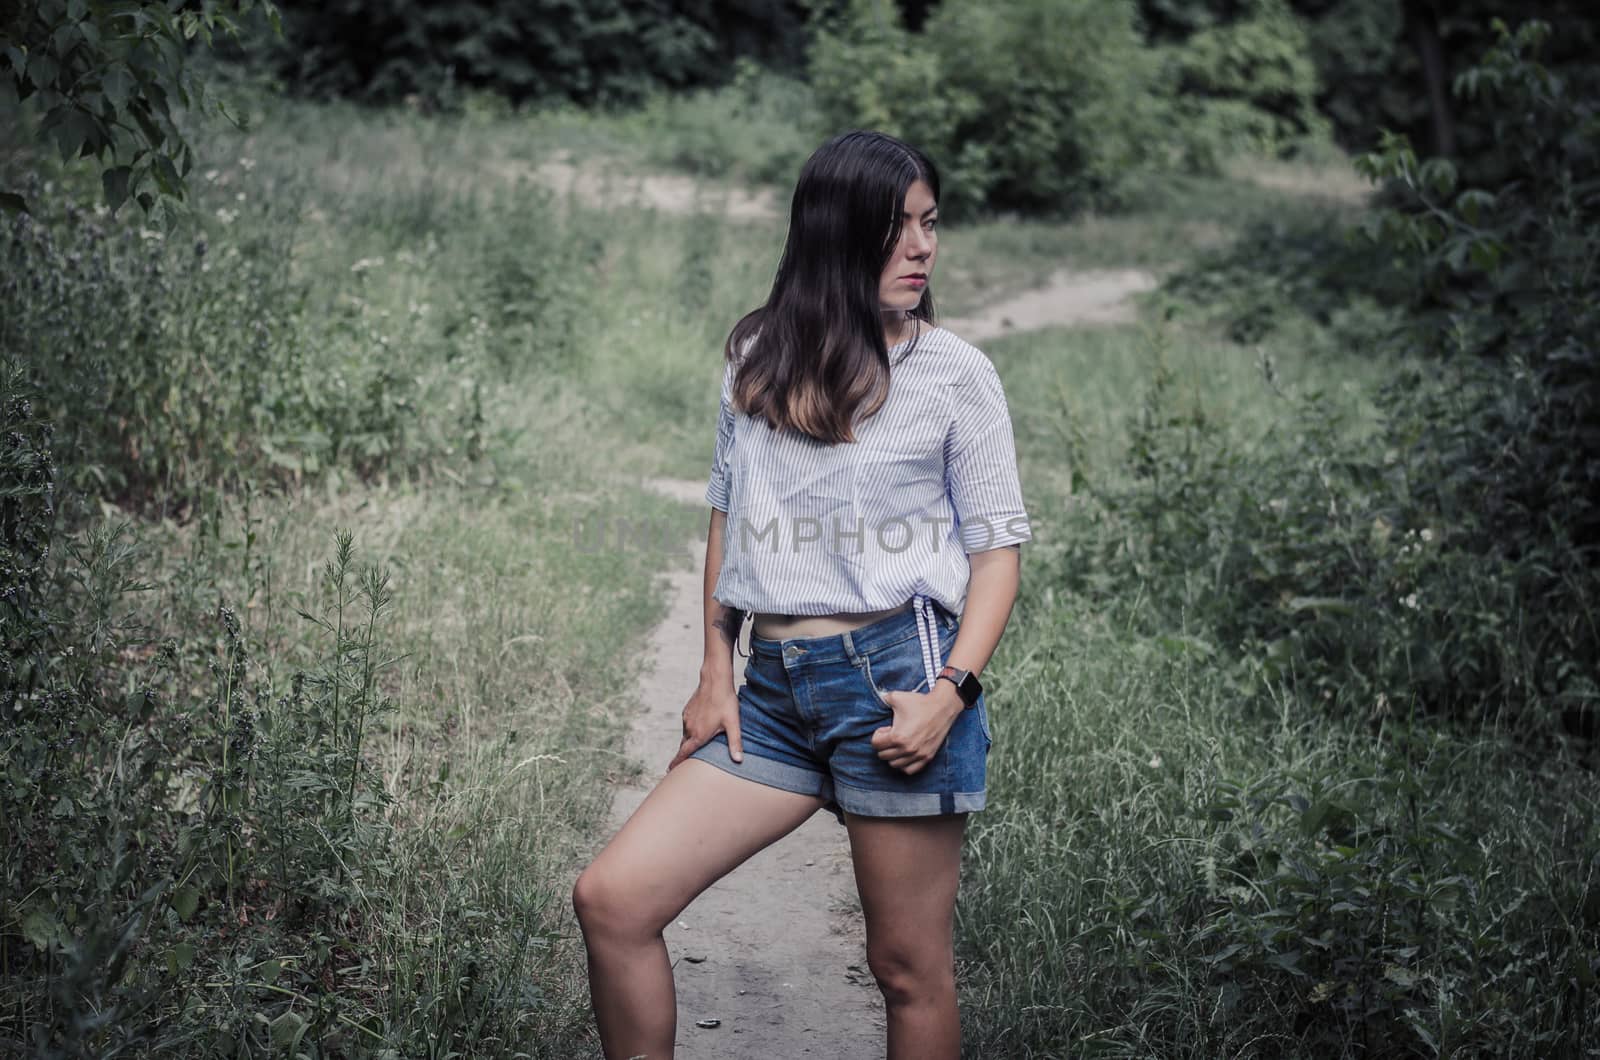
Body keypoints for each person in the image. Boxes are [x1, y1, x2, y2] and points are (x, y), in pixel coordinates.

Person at [571, 129, 1032, 1060]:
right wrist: (714, 668)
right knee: (613, 900)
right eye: (895, 227)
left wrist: (953, 696)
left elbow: (997, 554)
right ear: (834, 234)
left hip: (898, 687)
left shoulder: (956, 375)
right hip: (774, 695)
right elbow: (727, 515)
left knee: (908, 971)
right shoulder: (756, 351)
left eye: (929, 224)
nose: (922, 248)